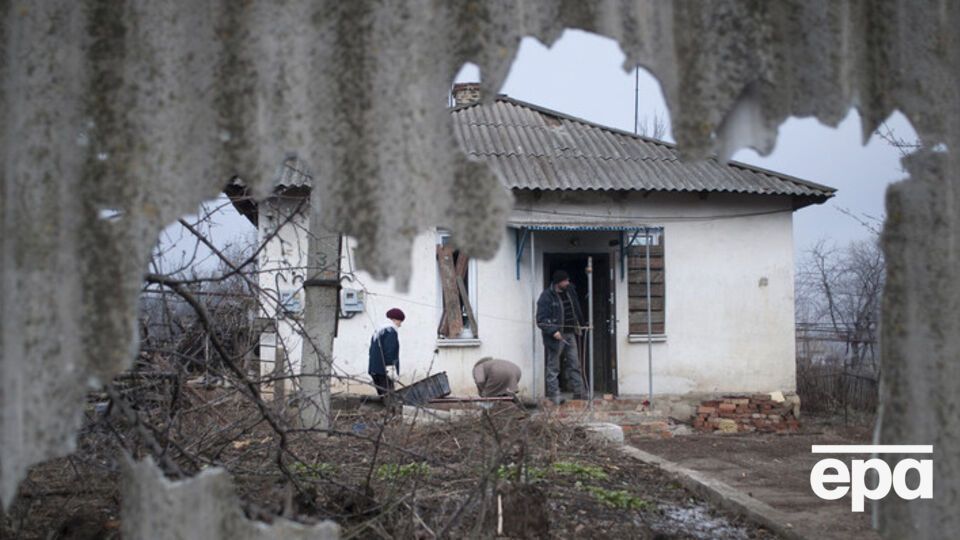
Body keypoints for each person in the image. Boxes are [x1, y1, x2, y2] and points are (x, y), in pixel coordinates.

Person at [536, 270, 586, 403]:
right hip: (556, 336)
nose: (568, 283)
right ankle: (554, 394)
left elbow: (576, 309)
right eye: (565, 281)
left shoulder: (570, 292)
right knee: (554, 367)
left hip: (570, 333)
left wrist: (581, 324)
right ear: (558, 282)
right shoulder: (546, 296)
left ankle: (579, 392)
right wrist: (553, 331)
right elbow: (541, 319)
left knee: (574, 363)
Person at [368, 308, 405, 395]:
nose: (400, 325)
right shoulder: (391, 331)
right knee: (389, 398)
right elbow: (390, 351)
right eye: (400, 321)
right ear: (394, 320)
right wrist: (390, 368)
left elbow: (371, 351)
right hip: (384, 371)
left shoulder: (379, 331)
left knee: (383, 397)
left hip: (374, 369)